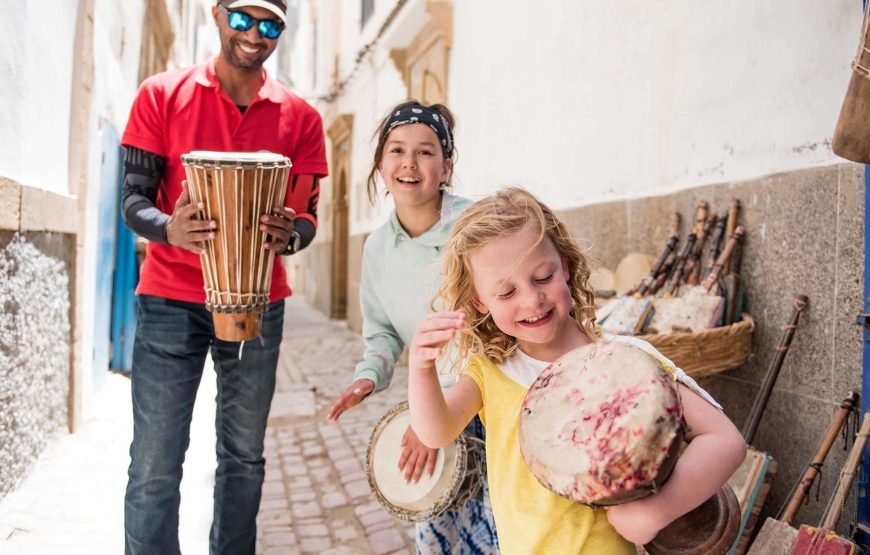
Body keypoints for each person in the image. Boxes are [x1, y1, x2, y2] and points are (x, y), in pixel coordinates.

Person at [407, 188, 747, 554]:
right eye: (506, 293)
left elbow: (724, 440)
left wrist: (655, 511)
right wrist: (421, 369)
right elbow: (436, 432)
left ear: (565, 265)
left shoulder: (624, 362)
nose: (532, 300)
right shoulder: (491, 372)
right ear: (479, 301)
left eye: (543, 277)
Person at [120, 1, 328, 553]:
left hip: (258, 302)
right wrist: (169, 228)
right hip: (169, 300)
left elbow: (308, 219)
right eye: (242, 19)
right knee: (154, 463)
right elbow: (133, 201)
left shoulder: (302, 117)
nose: (254, 34)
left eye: (269, 25)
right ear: (217, 14)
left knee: (243, 458)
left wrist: (288, 235)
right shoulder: (160, 94)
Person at [326, 101, 499, 553]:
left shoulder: (480, 225)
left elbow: (504, 321)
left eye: (425, 152)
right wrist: (369, 376)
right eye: (397, 150)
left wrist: (437, 420)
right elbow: (382, 332)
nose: (409, 163)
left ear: (446, 168)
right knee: (443, 536)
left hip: (495, 399)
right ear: (381, 165)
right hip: (436, 403)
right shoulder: (377, 249)